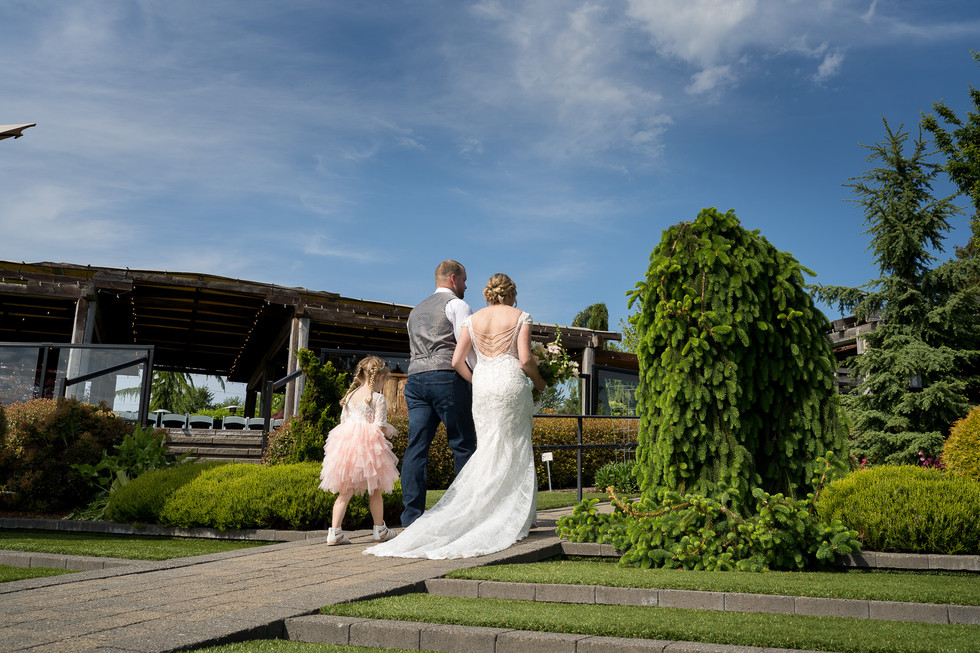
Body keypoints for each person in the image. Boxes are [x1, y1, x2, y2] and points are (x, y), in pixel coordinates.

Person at [365, 273, 546, 559]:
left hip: (478, 386)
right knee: (512, 445)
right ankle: (519, 514)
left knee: (483, 446)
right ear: (511, 293)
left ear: (489, 293)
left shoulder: (468, 320)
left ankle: (435, 515)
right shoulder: (520, 316)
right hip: (509, 383)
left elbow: (457, 360)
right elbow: (525, 359)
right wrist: (540, 382)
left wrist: (479, 382)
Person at [399, 260, 478, 527]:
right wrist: (480, 378)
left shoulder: (415, 310)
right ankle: (464, 515)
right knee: (463, 445)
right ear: (454, 279)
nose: (466, 286)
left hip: (416, 379)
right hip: (446, 378)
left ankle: (411, 518)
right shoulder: (457, 305)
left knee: (416, 448)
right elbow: (466, 348)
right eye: (465, 280)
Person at [319, 356, 400, 545]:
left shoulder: (349, 396)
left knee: (345, 490)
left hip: (346, 446)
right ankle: (379, 529)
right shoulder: (378, 398)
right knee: (376, 489)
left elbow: (344, 422)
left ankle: (334, 532)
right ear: (379, 377)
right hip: (369, 447)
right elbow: (379, 426)